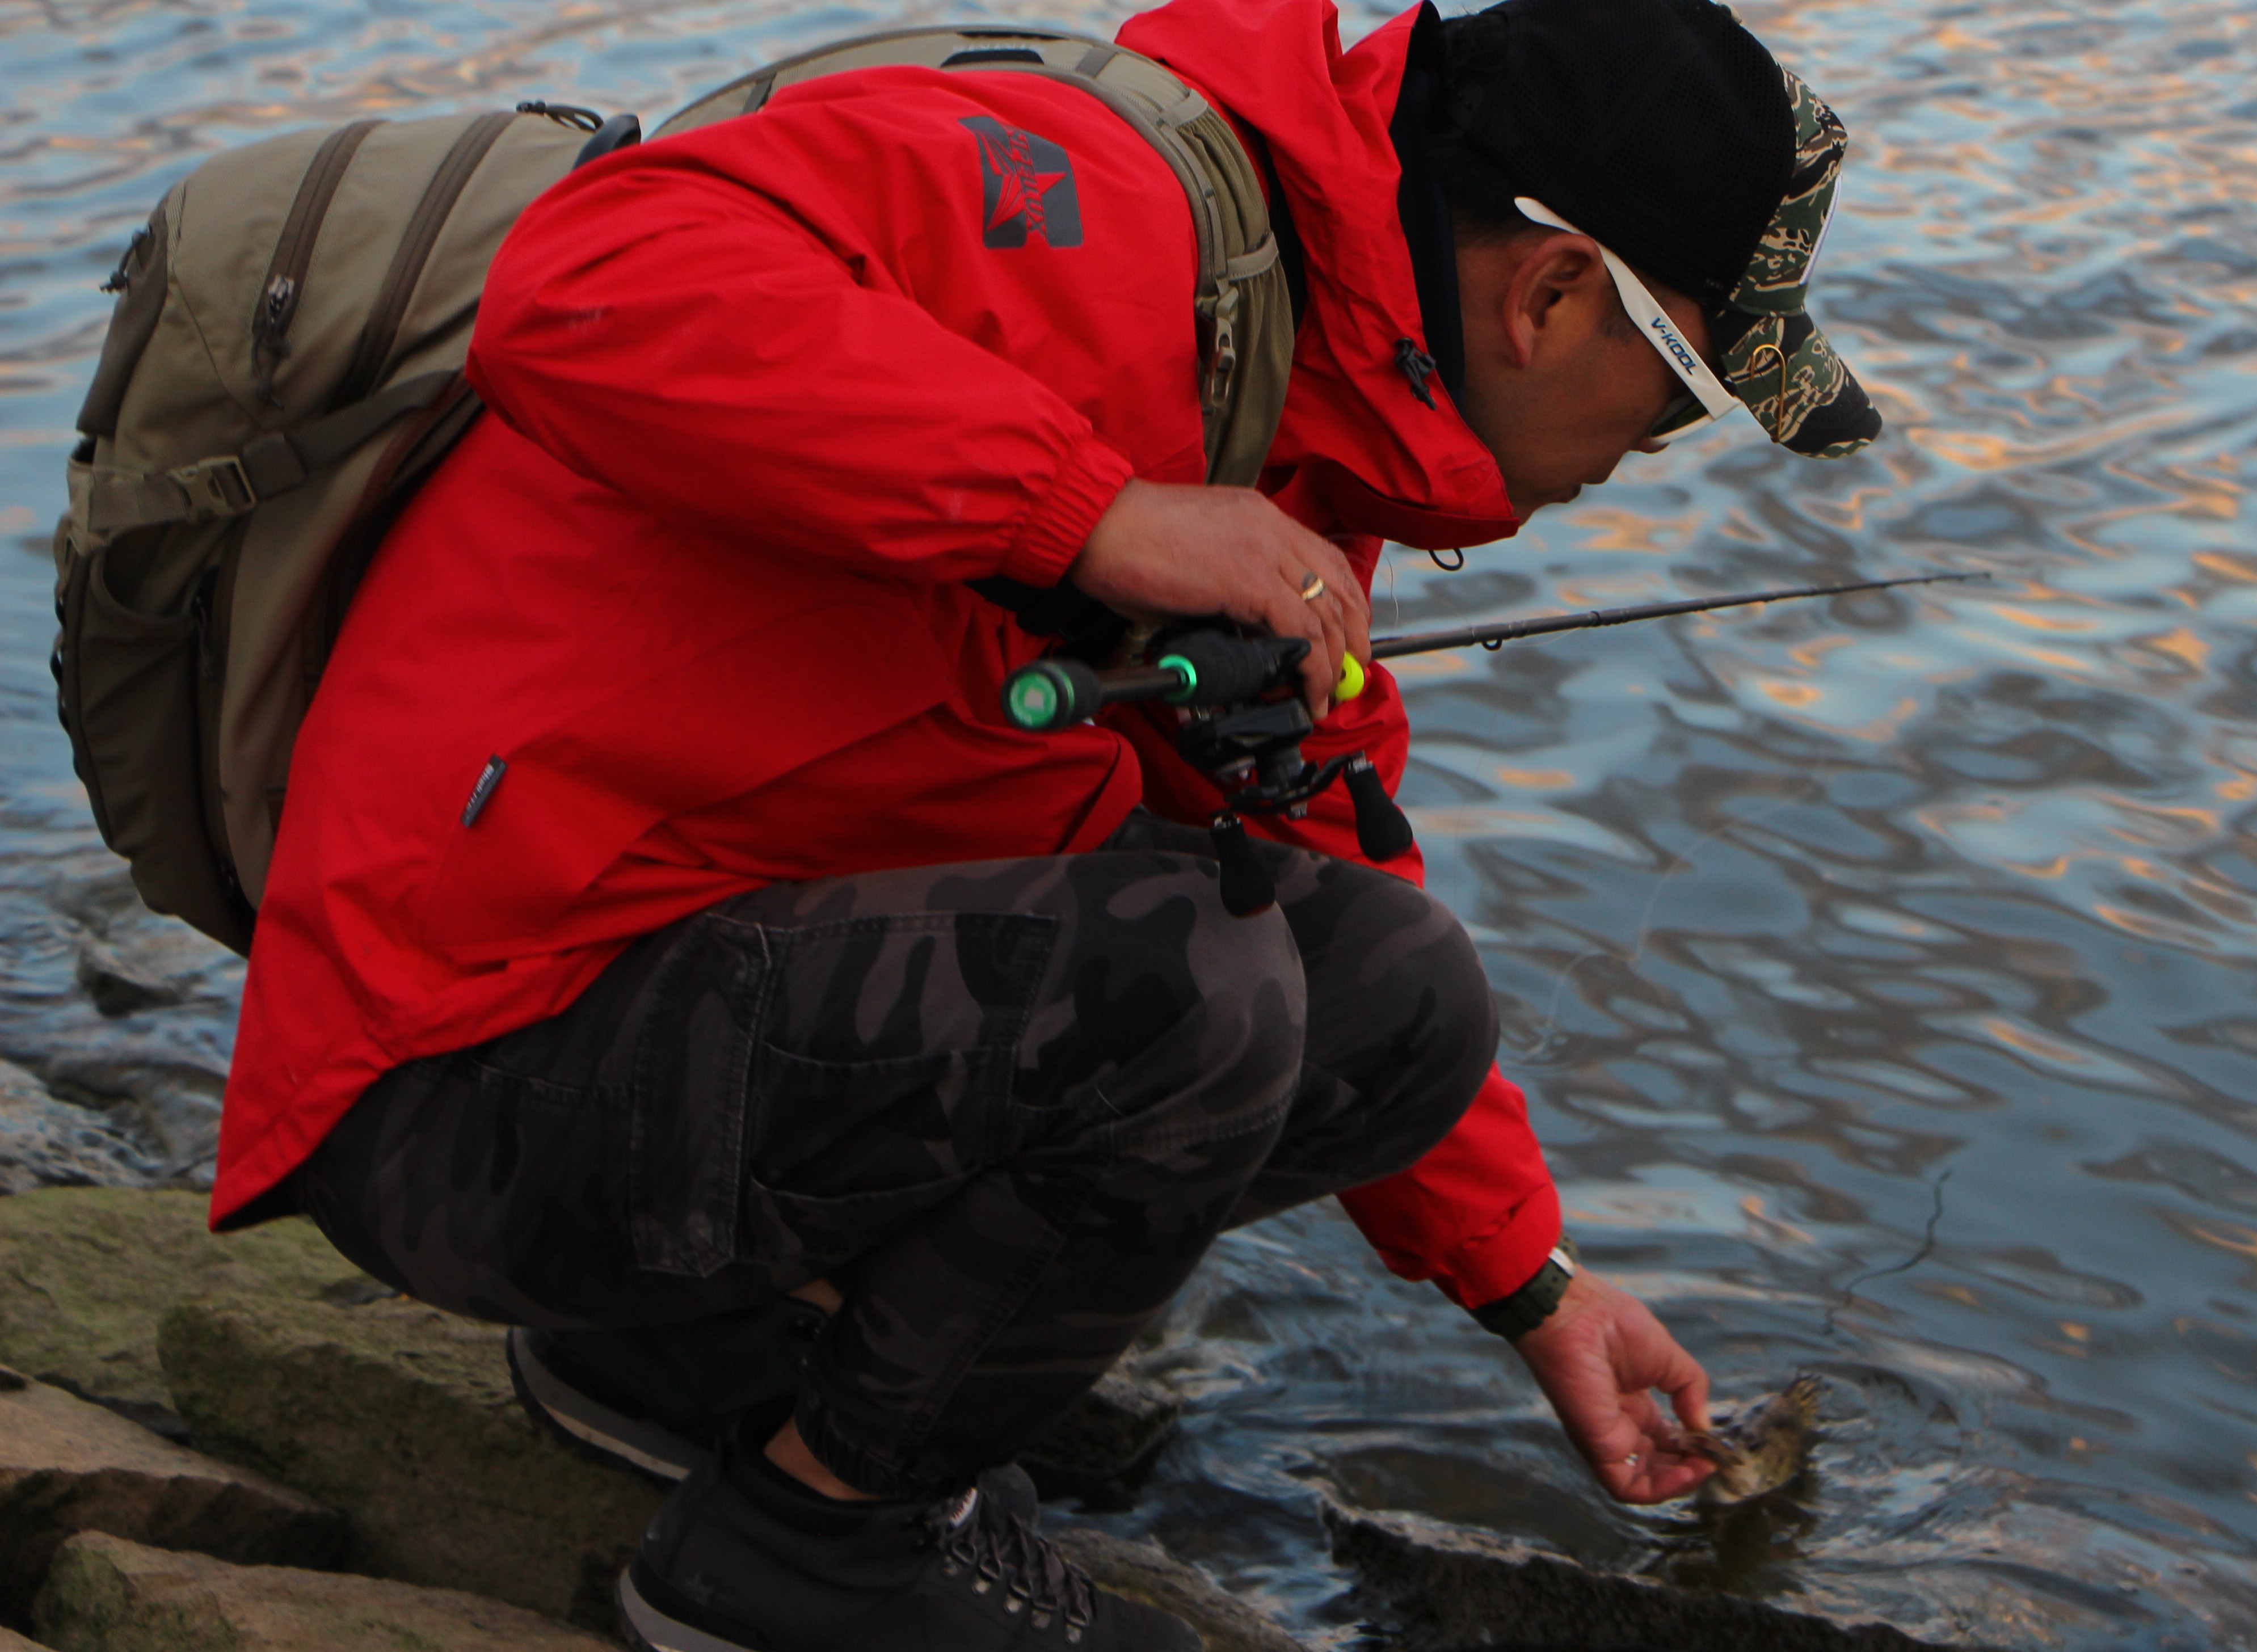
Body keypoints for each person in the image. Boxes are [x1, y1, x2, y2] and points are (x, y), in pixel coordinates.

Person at [205, 0, 1881, 1645]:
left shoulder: (1293, 423)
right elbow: (585, 280)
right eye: (1678, 401)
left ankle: (671, 1363)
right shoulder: (1083, 202)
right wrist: (1092, 514)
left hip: (657, 1066)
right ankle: (801, 1558)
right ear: (1558, 290)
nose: (1652, 454)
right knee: (1193, 997)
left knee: (1392, 999)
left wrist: (1536, 1288)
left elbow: (1323, 850)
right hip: (459, 1083)